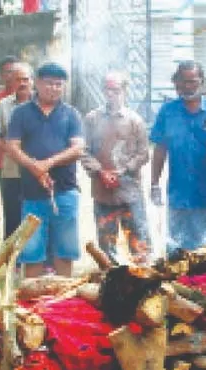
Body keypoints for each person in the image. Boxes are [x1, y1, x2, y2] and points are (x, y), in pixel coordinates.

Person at [6, 62, 85, 278]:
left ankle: (63, 302)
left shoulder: (71, 114)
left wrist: (48, 163)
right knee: (32, 252)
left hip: (65, 191)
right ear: (38, 84)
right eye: (49, 84)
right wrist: (34, 167)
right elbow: (12, 147)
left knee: (65, 251)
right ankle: (33, 304)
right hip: (32, 193)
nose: (54, 89)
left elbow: (78, 148)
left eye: (59, 85)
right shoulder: (21, 113)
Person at [80, 71, 152, 264]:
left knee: (140, 246)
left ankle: (144, 285)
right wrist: (100, 171)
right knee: (106, 248)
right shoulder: (92, 119)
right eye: (108, 89)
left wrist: (124, 170)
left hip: (130, 193)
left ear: (125, 91)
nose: (111, 94)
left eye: (116, 90)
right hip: (103, 194)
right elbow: (83, 152)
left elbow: (144, 154)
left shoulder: (135, 121)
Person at [150, 60, 206, 251]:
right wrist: (154, 183)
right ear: (177, 82)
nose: (188, 86)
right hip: (178, 193)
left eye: (193, 81)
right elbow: (160, 149)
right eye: (183, 81)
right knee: (176, 249)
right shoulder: (168, 111)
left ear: (202, 81)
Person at [0, 62, 33, 240]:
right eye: (18, 80)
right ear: (11, 82)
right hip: (12, 170)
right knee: (13, 216)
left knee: (37, 215)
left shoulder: (42, 103)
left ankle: (40, 260)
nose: (22, 83)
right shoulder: (3, 105)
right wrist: (13, 150)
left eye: (25, 79)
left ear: (32, 81)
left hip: (37, 170)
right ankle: (13, 262)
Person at [0, 56, 21, 127]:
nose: (14, 75)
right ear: (2, 75)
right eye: (9, 72)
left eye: (17, 71)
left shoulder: (33, 98)